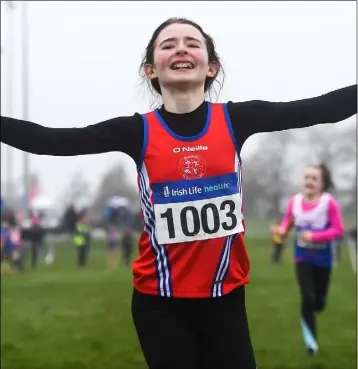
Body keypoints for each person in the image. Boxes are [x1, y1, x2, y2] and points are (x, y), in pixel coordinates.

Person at [0, 17, 356, 369]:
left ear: (211, 66)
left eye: (192, 43)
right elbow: (50, 140)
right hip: (159, 301)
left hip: (225, 295)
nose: (181, 48)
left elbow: (318, 109)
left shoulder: (237, 120)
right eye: (168, 45)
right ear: (151, 69)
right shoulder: (136, 131)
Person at [275, 164, 345, 356]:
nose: (309, 181)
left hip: (323, 261)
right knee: (307, 297)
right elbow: (287, 221)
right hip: (302, 258)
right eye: (307, 177)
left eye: (314, 178)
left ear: (322, 183)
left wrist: (314, 237)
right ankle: (310, 343)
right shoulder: (294, 201)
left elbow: (338, 230)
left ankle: (320, 300)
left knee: (318, 301)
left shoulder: (328, 203)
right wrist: (281, 232)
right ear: (301, 180)